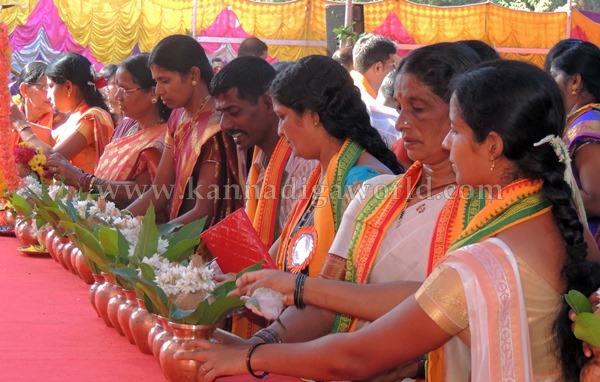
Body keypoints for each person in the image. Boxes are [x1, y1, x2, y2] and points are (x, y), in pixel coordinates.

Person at [179, 60, 599, 382]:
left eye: (454, 129)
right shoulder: (544, 216)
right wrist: (295, 290)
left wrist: (249, 356)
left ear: (492, 145)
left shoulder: (486, 260)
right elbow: (419, 295)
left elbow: (358, 355)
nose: (447, 143)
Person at [203, 42, 481, 382]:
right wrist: (257, 346)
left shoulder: (482, 215)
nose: (402, 123)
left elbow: (429, 317)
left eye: (418, 109)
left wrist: (256, 352)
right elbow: (325, 303)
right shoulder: (377, 194)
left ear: (462, 115)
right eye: (400, 108)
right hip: (334, 362)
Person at [266, 55, 402, 278]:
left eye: (282, 117)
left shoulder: (363, 182)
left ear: (312, 116)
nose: (280, 130)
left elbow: (342, 284)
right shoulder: (325, 171)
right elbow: (282, 250)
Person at [210, 55, 317, 338]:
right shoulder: (257, 156)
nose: (224, 124)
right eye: (221, 113)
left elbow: (299, 247)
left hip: (298, 314)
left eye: (233, 112)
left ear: (268, 104)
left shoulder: (303, 162)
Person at [125, 35, 243, 228]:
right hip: (175, 232)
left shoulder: (216, 128)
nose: (159, 91)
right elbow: (159, 191)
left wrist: (156, 239)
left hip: (201, 245)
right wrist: (117, 219)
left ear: (194, 75)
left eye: (165, 81)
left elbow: (203, 212)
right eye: (156, 82)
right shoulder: (178, 116)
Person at [45, 53, 172, 209]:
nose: (117, 96)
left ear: (153, 93)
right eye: (117, 87)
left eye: (125, 90)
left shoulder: (163, 138)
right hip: (99, 216)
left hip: (131, 226)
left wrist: (83, 179)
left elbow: (146, 193)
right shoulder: (126, 126)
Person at [10, 53, 114, 175]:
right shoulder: (76, 116)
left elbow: (54, 158)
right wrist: (12, 120)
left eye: (50, 86)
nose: (48, 95)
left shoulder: (92, 116)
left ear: (68, 87)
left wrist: (21, 125)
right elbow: (49, 136)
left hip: (85, 193)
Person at [544, 39, 600, 243]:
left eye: (553, 76)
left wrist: (541, 199)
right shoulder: (583, 119)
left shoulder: (588, 126)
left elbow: (596, 201)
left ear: (575, 82)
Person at [12, 61, 67, 148]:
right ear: (24, 89)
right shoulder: (7, 118)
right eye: (45, 87)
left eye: (52, 87)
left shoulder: (62, 123)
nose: (50, 94)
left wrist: (20, 124)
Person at [98, 63, 124, 131]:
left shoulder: (130, 114)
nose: (120, 87)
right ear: (103, 87)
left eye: (122, 82)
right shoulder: (100, 116)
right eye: (114, 83)